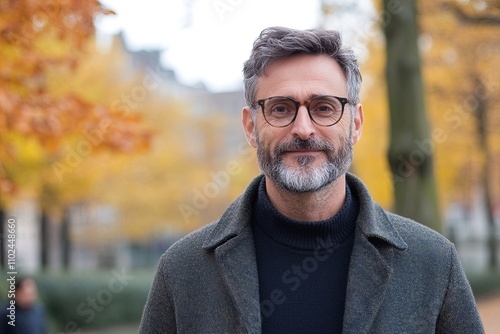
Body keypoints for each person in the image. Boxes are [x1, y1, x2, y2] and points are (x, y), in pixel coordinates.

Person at [139, 26, 484, 333]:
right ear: (250, 127)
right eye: (280, 109)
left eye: (323, 107)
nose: (303, 129)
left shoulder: (433, 262)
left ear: (356, 123)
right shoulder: (182, 272)